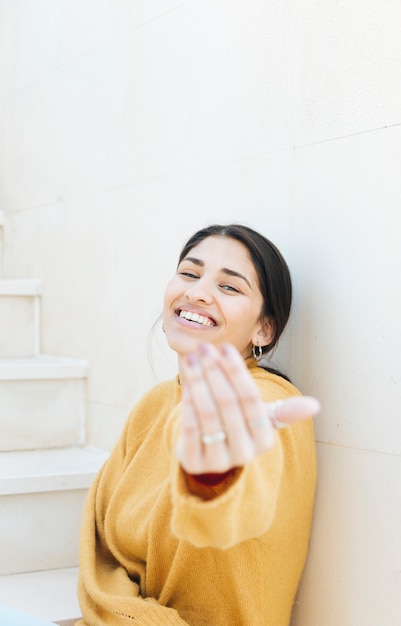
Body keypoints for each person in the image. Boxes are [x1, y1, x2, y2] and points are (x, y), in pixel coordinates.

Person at [76, 224, 319, 626]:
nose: (197, 292)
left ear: (264, 329)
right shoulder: (154, 406)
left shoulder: (267, 406)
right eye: (189, 274)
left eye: (230, 287)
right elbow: (101, 550)